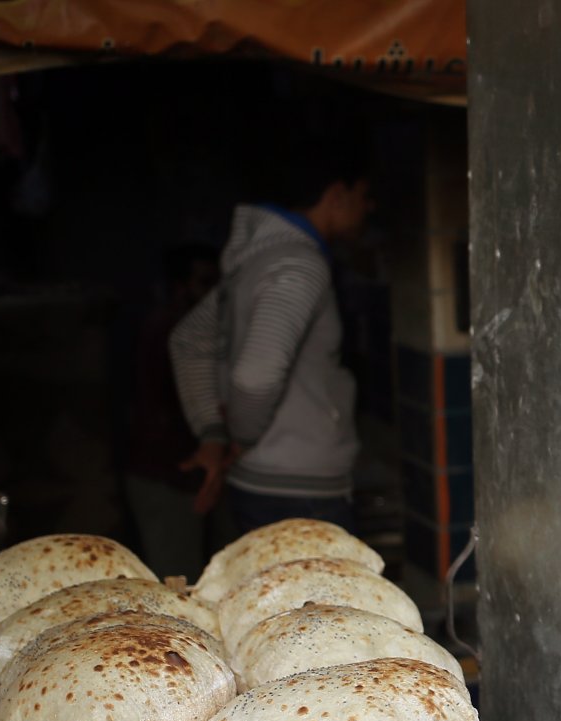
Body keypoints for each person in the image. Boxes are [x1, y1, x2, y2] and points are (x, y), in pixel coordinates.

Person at [170, 140, 374, 535]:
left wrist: (212, 431)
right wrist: (239, 440)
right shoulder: (299, 264)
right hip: (300, 491)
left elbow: (189, 338)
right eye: (365, 195)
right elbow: (256, 375)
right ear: (336, 194)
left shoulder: (258, 261)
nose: (370, 207)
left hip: (265, 484)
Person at [123, 244, 224, 581]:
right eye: (204, 282)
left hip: (180, 473)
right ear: (180, 286)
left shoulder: (183, 327)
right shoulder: (178, 332)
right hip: (167, 475)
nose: (212, 295)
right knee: (176, 581)